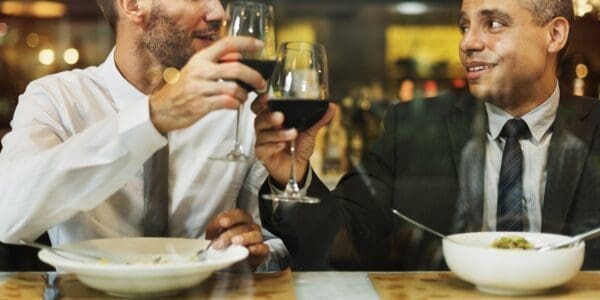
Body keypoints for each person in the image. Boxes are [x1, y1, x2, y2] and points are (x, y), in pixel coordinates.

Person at [254, 0, 600, 270]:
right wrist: (292, 175)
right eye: (464, 26)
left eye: (493, 24)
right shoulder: (414, 128)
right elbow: (345, 244)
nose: (468, 42)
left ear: (554, 35)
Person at [0, 0, 288, 271]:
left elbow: (277, 246)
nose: (218, 12)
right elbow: (7, 215)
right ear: (133, 5)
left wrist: (245, 254)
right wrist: (152, 118)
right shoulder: (57, 100)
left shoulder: (239, 109)